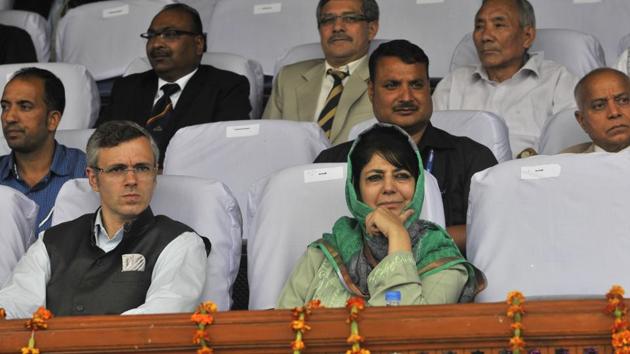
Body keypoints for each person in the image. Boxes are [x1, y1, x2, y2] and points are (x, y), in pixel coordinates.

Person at [0, 121, 210, 319]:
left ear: (155, 175)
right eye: (117, 169)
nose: (131, 180)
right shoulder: (51, 242)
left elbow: (156, 323)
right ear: (93, 179)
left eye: (142, 168)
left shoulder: (181, 242)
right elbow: (14, 307)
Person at [315, 40, 497, 249]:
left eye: (416, 85)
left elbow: (492, 228)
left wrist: (405, 238)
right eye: (392, 85)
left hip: (446, 272)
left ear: (429, 89)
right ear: (371, 91)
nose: (406, 97)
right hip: (350, 278)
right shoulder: (332, 162)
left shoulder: (471, 158)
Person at [278, 125, 484, 308]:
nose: (388, 188)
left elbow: (403, 335)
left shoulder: (442, 260)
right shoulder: (322, 255)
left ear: (418, 186)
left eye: (402, 176)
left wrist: (397, 237)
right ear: (356, 191)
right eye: (375, 178)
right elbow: (280, 332)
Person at [98, 3, 251, 165]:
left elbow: (227, 151)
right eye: (151, 36)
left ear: (198, 44)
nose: (156, 44)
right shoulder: (127, 88)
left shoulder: (227, 87)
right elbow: (102, 145)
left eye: (170, 34)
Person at [432, 0, 577, 157]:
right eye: (479, 26)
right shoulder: (453, 84)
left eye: (499, 25)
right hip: (462, 178)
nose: (486, 36)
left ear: (527, 36)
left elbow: (570, 147)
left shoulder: (558, 81)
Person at [263, 0, 379, 144]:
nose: (337, 27)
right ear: (319, 30)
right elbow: (266, 141)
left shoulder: (384, 78)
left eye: (350, 18)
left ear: (371, 29)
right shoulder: (288, 78)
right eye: (328, 20)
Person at [0, 67, 86, 233]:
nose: (9, 117)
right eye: (5, 107)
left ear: (52, 120)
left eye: (24, 107)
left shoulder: (86, 172)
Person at [562, 68, 630, 153]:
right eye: (599, 106)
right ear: (582, 121)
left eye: (623, 100)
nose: (614, 113)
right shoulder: (565, 162)